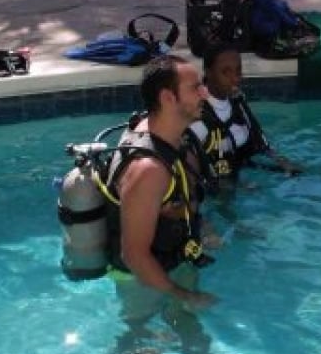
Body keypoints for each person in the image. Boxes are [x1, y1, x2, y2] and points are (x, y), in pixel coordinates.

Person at [103, 55, 217, 311]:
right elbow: (133, 255)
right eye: (194, 88)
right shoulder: (148, 171)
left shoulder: (176, 137)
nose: (205, 93)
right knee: (140, 343)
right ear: (168, 98)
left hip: (174, 260)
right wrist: (183, 295)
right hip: (140, 282)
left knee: (193, 340)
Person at [188, 44, 301, 189]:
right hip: (220, 185)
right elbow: (195, 173)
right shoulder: (197, 116)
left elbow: (260, 142)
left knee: (299, 172)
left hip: (245, 165)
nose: (235, 78)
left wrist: (281, 161)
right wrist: (238, 187)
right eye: (225, 72)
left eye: (238, 70)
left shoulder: (237, 102)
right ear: (208, 72)